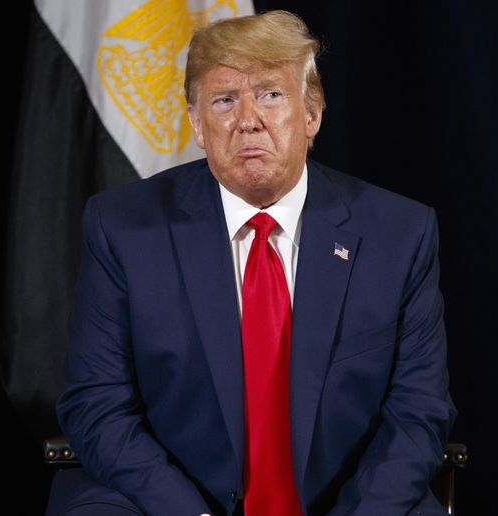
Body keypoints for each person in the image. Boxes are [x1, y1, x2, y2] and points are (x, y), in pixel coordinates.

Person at [47, 10, 456, 516]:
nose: (248, 119)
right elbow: (98, 405)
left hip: (348, 501)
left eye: (270, 94)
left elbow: (417, 412)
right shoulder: (123, 229)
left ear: (312, 115)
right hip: (168, 498)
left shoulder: (399, 234)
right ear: (197, 124)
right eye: (224, 100)